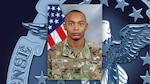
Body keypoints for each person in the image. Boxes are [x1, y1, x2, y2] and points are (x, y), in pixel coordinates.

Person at [48, 10, 102, 80]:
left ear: (86, 26)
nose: (76, 28)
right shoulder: (51, 53)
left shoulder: (99, 53)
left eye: (81, 24)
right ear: (65, 26)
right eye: (71, 24)